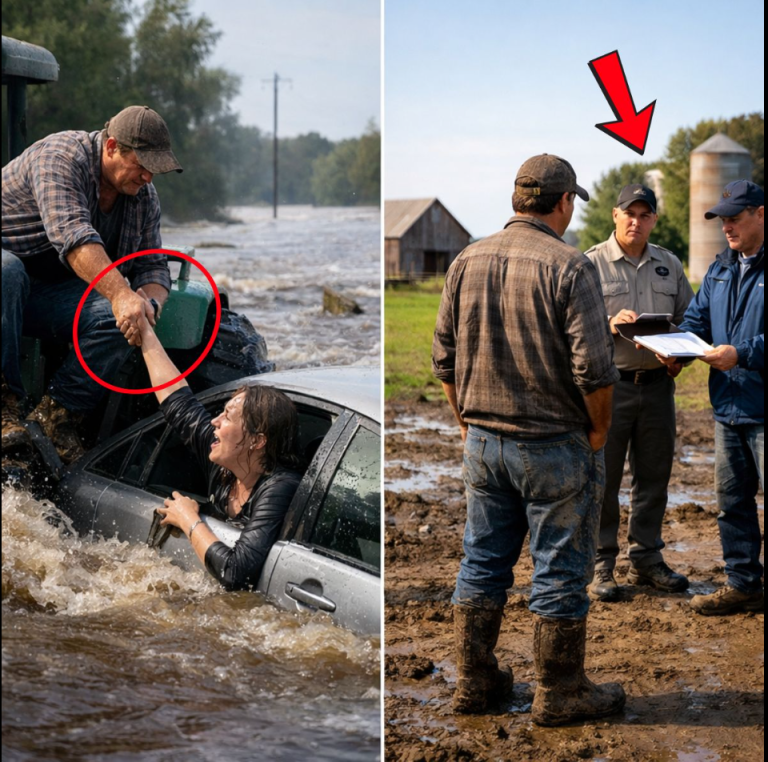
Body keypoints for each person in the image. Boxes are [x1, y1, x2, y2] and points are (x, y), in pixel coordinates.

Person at [432, 154, 625, 726]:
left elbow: (443, 360)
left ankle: (473, 681)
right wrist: (598, 431)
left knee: (482, 561)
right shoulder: (571, 267)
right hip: (552, 444)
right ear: (564, 203)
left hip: (484, 443)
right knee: (561, 569)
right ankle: (560, 690)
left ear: (518, 199)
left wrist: (467, 424)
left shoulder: (466, 259)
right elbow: (594, 368)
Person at [2, 105, 182, 464]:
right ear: (112, 146)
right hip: (8, 281)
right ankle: (4, 409)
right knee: (7, 271)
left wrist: (150, 302)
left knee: (122, 318)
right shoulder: (60, 157)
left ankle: (57, 417)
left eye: (154, 170)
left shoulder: (143, 197)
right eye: (142, 165)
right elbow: (73, 235)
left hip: (49, 292)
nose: (148, 178)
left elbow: (154, 267)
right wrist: (120, 294)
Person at [137, 308, 303, 590]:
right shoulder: (226, 464)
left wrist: (189, 518)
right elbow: (178, 402)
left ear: (257, 440)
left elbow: (236, 573)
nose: (214, 421)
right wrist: (142, 329)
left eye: (227, 416)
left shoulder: (280, 487)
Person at [584, 185, 695, 601]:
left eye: (645, 214)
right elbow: (571, 328)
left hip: (658, 389)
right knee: (604, 479)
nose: (636, 221)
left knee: (653, 478)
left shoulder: (669, 264)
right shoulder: (590, 264)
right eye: (629, 213)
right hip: (610, 389)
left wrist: (679, 356)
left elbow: (688, 321)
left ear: (653, 220)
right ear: (614, 215)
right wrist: (609, 322)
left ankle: (646, 559)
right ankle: (601, 564)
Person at [660, 179, 764, 616]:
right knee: (732, 504)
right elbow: (697, 321)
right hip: (728, 409)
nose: (727, 226)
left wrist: (742, 353)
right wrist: (676, 352)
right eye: (722, 219)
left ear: (761, 214)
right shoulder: (720, 268)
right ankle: (743, 585)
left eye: (735, 217)